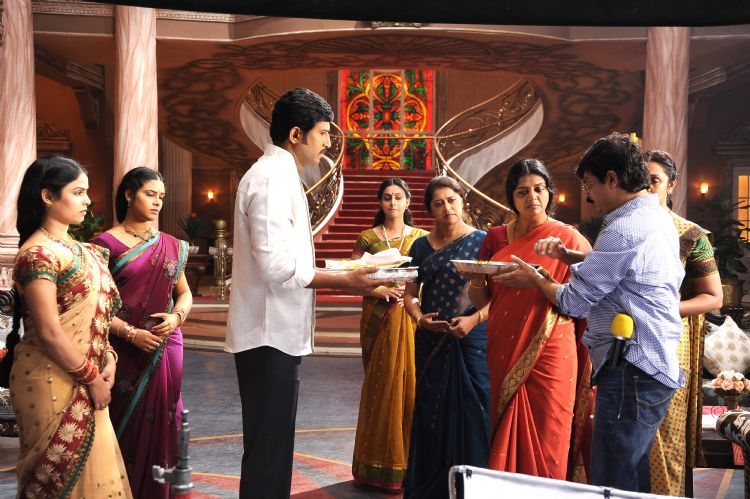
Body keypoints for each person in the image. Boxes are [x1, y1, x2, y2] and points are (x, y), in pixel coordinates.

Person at [225, 88, 390, 499]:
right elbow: (275, 266)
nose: (329, 143)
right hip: (267, 335)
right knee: (268, 450)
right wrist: (346, 281)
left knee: (273, 448)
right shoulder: (270, 180)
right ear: (296, 134)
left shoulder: (282, 176)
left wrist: (344, 270)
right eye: (323, 133)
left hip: (276, 334)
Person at [496, 132, 684, 492]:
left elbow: (574, 302)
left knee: (612, 476)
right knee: (630, 471)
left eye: (590, 185)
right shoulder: (655, 216)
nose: (589, 195)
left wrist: (537, 277)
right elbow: (628, 268)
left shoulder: (623, 228)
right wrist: (574, 257)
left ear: (611, 179)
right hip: (649, 363)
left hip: (631, 366)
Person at [7, 157, 132, 498]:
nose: (87, 201)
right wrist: (92, 378)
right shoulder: (38, 254)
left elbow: (97, 317)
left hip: (87, 375)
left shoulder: (84, 251)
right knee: (55, 481)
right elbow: (49, 331)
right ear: (48, 196)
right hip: (50, 379)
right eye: (77, 192)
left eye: (86, 192)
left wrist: (108, 357)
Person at [467, 159, 593, 481]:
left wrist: (539, 281)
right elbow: (483, 301)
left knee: (551, 427)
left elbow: (585, 299)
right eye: (522, 191)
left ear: (549, 192)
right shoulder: (496, 237)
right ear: (512, 197)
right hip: (504, 341)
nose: (532, 197)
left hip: (552, 344)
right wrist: (477, 276)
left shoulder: (568, 240)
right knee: (505, 422)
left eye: (539, 189)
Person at [92, 167, 193, 499]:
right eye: (150, 194)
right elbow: (95, 306)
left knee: (166, 416)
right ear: (128, 194)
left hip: (166, 344)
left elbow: (184, 293)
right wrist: (131, 334)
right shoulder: (103, 245)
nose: (157, 202)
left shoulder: (171, 245)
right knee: (125, 421)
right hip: (122, 348)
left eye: (161, 196)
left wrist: (176, 317)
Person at [402, 176, 491, 499]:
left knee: (474, 410)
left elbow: (498, 298)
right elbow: (410, 294)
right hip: (431, 341)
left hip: (472, 340)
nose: (446, 208)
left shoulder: (483, 242)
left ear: (462, 201)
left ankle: (473, 487)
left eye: (451, 200)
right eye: (438, 203)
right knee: (431, 411)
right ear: (430, 210)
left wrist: (473, 319)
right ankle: (431, 486)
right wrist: (419, 318)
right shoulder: (420, 246)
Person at [644, 150, 723, 496]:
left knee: (666, 431)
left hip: (668, 341)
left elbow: (713, 297)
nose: (646, 188)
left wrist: (662, 309)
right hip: (623, 340)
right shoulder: (619, 228)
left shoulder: (690, 235)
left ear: (671, 185)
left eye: (654, 180)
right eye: (640, 180)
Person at [351, 178, 428, 492]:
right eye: (387, 197)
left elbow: (428, 277)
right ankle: (375, 467)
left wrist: (412, 297)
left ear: (408, 201)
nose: (393, 203)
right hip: (378, 318)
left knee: (411, 387)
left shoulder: (421, 239)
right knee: (381, 387)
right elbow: (352, 276)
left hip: (410, 318)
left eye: (398, 197)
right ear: (380, 203)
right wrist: (379, 290)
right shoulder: (368, 237)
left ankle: (410, 465)